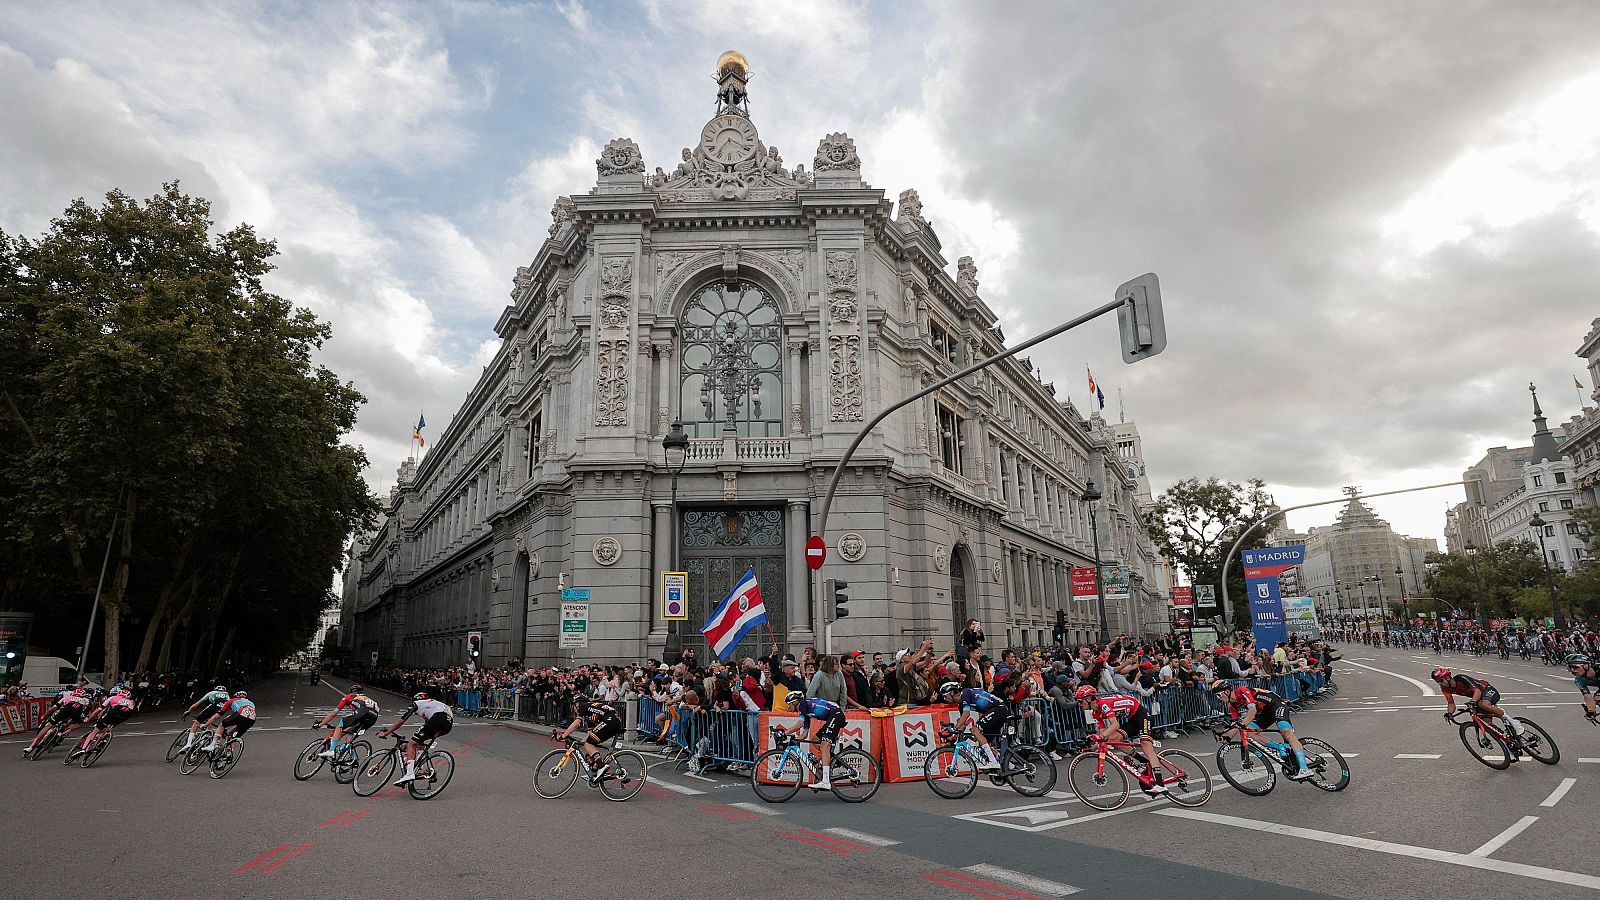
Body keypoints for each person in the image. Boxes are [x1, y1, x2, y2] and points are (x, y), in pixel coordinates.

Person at [1075, 685, 1166, 795]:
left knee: (1146, 745)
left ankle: (1160, 784)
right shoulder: (1095, 713)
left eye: (1080, 702)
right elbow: (1104, 736)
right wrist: (1090, 749)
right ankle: (1143, 762)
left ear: (1088, 699)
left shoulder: (1103, 704)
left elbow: (1115, 725)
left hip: (1142, 715)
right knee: (1111, 740)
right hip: (1132, 720)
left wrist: (1100, 737)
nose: (1079, 704)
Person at [1217, 680, 1311, 780]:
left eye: (1218, 695)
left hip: (1276, 704)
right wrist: (1227, 737)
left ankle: (1305, 769)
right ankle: (1280, 747)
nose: (1218, 699)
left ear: (1226, 691)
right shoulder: (1232, 705)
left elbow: (1252, 710)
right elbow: (1236, 724)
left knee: (1286, 733)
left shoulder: (1242, 691)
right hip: (1265, 712)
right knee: (1249, 734)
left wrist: (1242, 724)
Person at [1431, 666, 1525, 748]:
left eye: (1441, 680)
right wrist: (1449, 713)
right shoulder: (1445, 689)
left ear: (1447, 677)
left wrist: (1472, 702)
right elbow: (1451, 703)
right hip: (1478, 699)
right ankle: (1508, 747)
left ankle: (1515, 723)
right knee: (1488, 726)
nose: (1440, 683)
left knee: (1482, 704)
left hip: (1487, 690)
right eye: (1437, 682)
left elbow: (1477, 691)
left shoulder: (1461, 678)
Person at [378, 692, 454, 786]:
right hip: (448, 724)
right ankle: (417, 768)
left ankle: (409, 774)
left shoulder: (417, 704)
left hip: (438, 718)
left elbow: (401, 721)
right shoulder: (432, 704)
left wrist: (386, 732)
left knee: (411, 744)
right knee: (418, 743)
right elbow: (426, 729)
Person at [780, 691, 845, 791]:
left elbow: (800, 724)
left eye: (789, 704)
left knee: (824, 746)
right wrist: (792, 740)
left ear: (795, 702)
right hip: (833, 716)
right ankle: (829, 760)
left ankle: (826, 781)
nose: (788, 707)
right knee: (815, 740)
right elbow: (804, 735)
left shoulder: (803, 704)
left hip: (836, 715)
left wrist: (784, 733)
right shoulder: (806, 712)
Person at [935, 681, 1006, 771]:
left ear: (952, 693)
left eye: (945, 696)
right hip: (997, 710)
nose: (945, 699)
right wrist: (953, 738)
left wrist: (955, 728)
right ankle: (1008, 764)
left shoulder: (965, 693)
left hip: (998, 709)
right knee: (983, 745)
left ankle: (994, 762)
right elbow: (963, 724)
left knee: (975, 730)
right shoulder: (961, 704)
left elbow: (966, 714)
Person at [555, 695, 624, 785]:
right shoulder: (590, 713)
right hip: (614, 722)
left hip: (610, 720)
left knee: (588, 744)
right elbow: (589, 734)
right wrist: (579, 742)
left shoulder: (584, 706)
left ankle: (601, 766)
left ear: (577, 703)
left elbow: (576, 724)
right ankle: (596, 769)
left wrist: (563, 736)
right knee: (589, 744)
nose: (574, 708)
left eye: (573, 705)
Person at [316, 684, 380, 758]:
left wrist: (321, 724)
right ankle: (353, 759)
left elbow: (333, 714)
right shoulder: (366, 698)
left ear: (351, 692)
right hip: (374, 717)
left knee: (340, 725)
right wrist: (340, 734)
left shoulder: (349, 697)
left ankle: (331, 751)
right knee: (350, 736)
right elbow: (355, 723)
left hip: (364, 712)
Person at [75, 686, 136, 753]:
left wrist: (89, 718)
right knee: (112, 725)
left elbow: (98, 710)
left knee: (95, 730)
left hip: (114, 712)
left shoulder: (113, 698)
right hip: (126, 715)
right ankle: (103, 739)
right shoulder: (131, 701)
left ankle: (83, 749)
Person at [180, 684, 230, 751]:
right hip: (223, 709)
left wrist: (188, 711)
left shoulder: (211, 693)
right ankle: (206, 739)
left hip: (214, 706)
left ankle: (188, 744)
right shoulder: (227, 695)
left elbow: (194, 706)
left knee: (196, 722)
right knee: (210, 721)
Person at [1567, 655, 1599, 722]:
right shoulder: (1579, 680)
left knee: (1597, 697)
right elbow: (1588, 697)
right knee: (1596, 699)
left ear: (1586, 666)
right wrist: (1591, 712)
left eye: (1574, 667)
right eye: (1570, 668)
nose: (1572, 670)